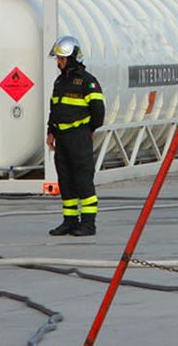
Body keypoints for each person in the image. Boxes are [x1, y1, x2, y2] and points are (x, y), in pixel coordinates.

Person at [47, 36, 105, 237]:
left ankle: (88, 224)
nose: (58, 62)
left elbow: (98, 111)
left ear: (72, 58)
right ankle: (70, 221)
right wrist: (51, 131)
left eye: (61, 58)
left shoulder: (87, 82)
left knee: (83, 179)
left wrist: (88, 130)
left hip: (79, 136)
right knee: (66, 180)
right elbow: (55, 108)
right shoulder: (61, 81)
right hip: (62, 137)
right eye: (58, 58)